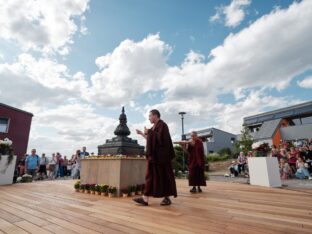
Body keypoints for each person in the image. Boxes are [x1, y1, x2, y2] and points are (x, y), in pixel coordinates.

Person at [133, 109, 177, 206]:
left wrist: (149, 132)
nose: (148, 118)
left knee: (163, 176)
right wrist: (142, 134)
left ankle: (164, 198)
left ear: (155, 116)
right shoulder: (154, 127)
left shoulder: (162, 125)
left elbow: (162, 141)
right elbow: (151, 140)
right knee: (152, 177)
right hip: (155, 157)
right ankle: (145, 198)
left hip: (161, 158)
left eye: (149, 116)